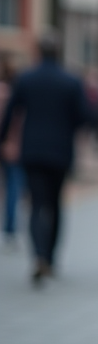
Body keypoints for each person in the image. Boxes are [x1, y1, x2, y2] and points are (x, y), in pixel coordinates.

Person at [0, 33, 91, 285]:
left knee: (36, 203)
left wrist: (3, 137)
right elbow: (84, 116)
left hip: (33, 150)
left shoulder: (26, 79)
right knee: (55, 203)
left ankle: (38, 254)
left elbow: (11, 112)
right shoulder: (71, 81)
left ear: (38, 51)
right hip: (60, 151)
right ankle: (50, 257)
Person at [0, 55, 22, 250]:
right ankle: (9, 228)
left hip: (9, 144)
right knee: (13, 187)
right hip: (13, 146)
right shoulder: (15, 94)